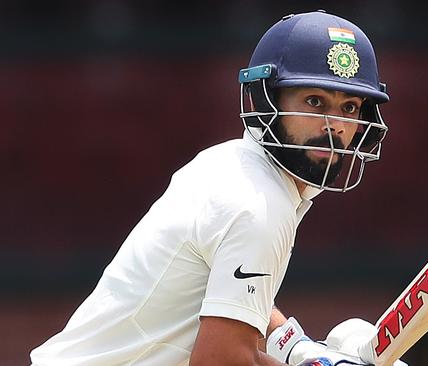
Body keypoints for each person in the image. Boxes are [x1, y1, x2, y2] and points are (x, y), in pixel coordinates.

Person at [31, 10, 405, 366]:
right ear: (267, 99)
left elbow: (226, 294)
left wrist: (298, 347)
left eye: (351, 107)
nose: (334, 124)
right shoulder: (260, 208)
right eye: (314, 101)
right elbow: (222, 360)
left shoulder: (228, 164)